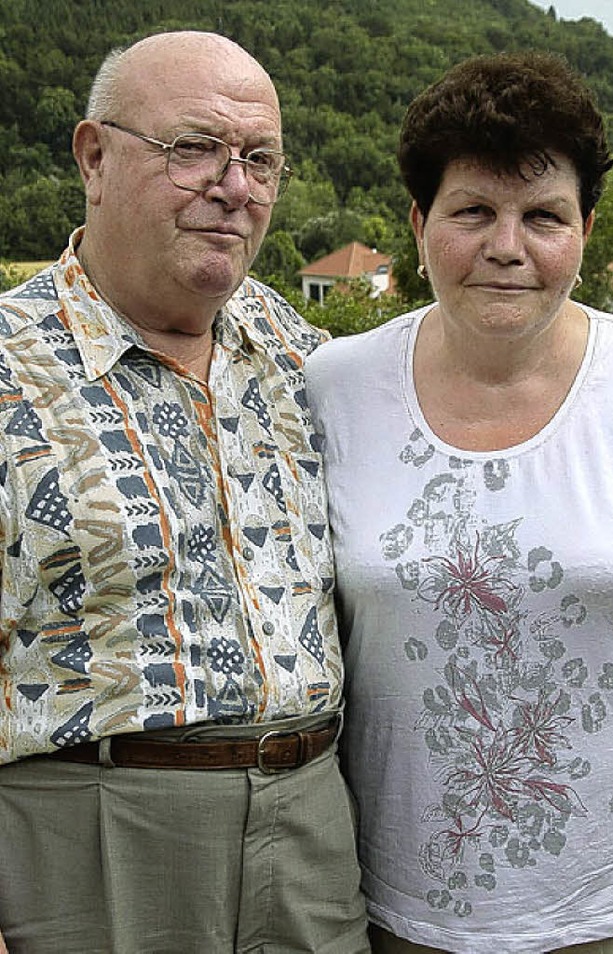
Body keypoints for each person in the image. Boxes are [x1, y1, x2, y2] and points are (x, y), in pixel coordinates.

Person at [0, 30, 369, 954]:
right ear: (94, 156)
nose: (234, 187)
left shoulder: (299, 350)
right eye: (194, 148)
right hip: (86, 840)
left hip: (312, 833)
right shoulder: (9, 365)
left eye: (260, 160)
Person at [305, 51, 613, 953]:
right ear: (419, 223)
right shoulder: (332, 389)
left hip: (612, 912)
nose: (507, 245)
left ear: (586, 229)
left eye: (543, 216)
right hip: (391, 914)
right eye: (472, 212)